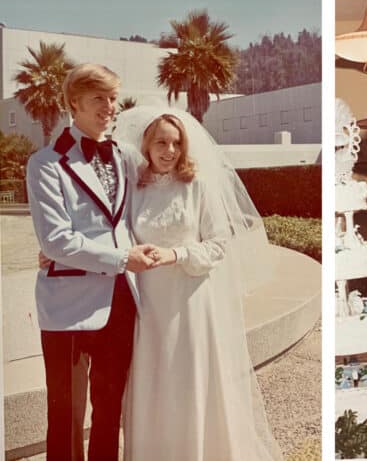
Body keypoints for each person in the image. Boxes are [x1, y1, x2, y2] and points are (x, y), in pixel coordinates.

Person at [111, 106, 283, 461]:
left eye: (176, 143)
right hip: (150, 306)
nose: (169, 151)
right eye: (161, 142)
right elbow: (114, 232)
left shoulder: (196, 185)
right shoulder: (134, 188)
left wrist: (174, 255)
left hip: (190, 302)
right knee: (156, 382)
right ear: (146, 144)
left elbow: (218, 245)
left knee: (191, 381)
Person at [26, 63, 155, 461]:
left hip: (120, 302)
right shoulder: (45, 164)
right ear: (73, 103)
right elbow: (57, 239)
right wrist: (121, 258)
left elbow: (163, 182)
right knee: (65, 415)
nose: (110, 107)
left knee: (109, 409)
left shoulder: (125, 156)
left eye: (113, 98)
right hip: (67, 307)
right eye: (99, 97)